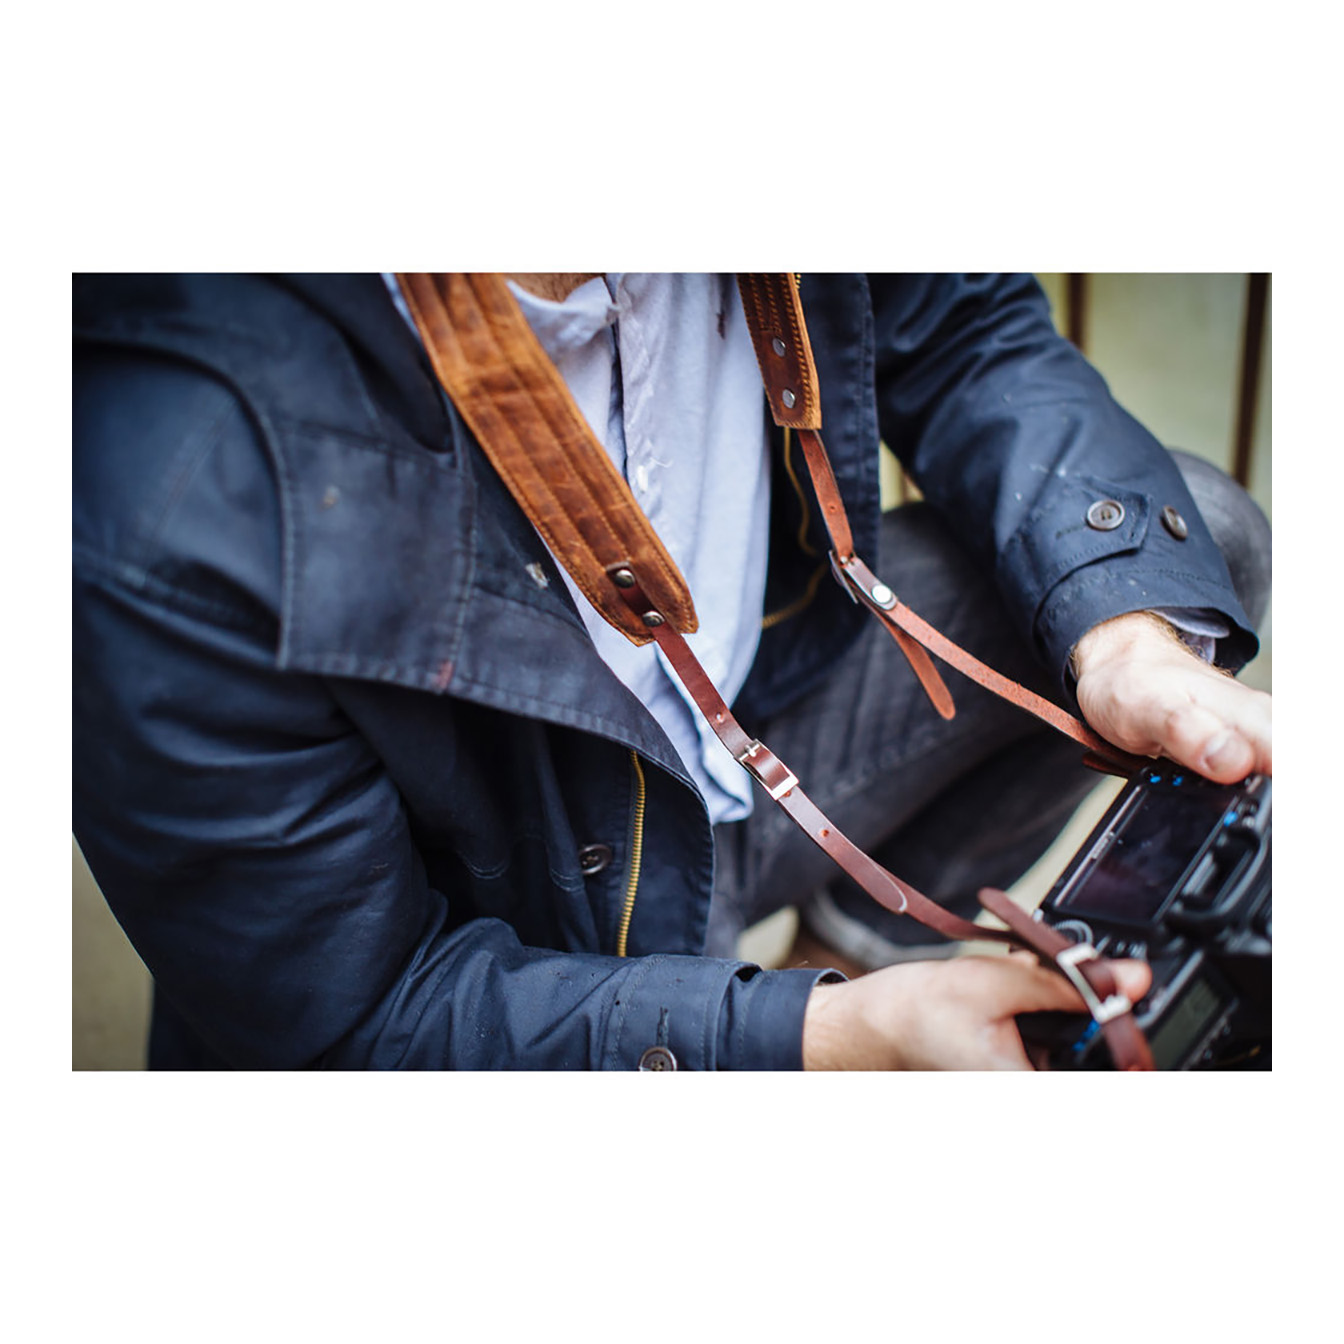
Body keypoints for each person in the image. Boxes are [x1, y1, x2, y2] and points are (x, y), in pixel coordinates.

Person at [72, 272, 1271, 1070]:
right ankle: (813, 1015)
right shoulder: (155, 484)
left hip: (747, 743)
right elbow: (353, 1023)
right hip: (499, 934)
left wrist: (1128, 641)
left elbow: (961, 329)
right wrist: (817, 1046)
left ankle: (852, 955)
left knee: (1182, 548)